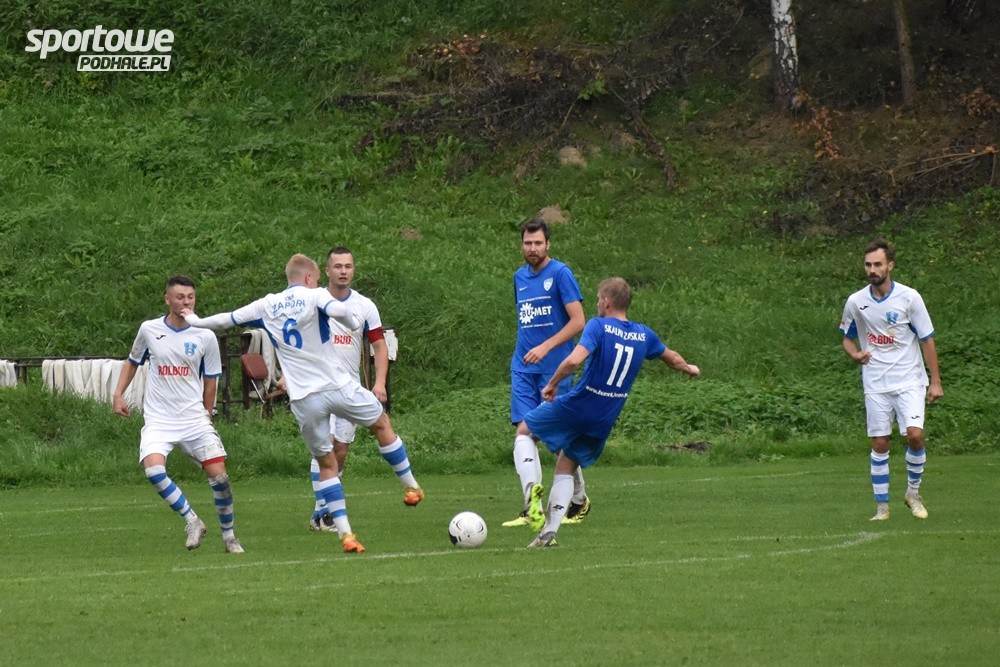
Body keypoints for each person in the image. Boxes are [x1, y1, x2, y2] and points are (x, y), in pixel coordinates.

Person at [183, 254, 423, 553]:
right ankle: (411, 486)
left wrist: (193, 319)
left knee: (326, 464)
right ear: (310, 278)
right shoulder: (316, 296)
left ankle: (346, 534)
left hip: (303, 399)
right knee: (381, 424)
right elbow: (339, 310)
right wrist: (351, 320)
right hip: (337, 385)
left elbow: (224, 320)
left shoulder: (267, 304)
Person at [520, 277, 700, 547]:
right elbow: (672, 358)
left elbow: (574, 360)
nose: (596, 305)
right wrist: (688, 368)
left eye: (597, 300)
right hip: (604, 418)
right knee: (566, 465)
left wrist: (552, 383)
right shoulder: (644, 334)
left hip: (579, 404)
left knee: (524, 431)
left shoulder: (598, 326)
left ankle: (530, 492)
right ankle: (548, 533)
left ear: (606, 302)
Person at [113, 276, 244, 554]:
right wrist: (118, 395)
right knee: (153, 469)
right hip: (159, 419)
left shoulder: (205, 335)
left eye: (190, 297)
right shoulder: (149, 329)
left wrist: (207, 413)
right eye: (180, 297)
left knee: (220, 479)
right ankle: (192, 520)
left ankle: (230, 537)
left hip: (193, 419)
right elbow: (132, 361)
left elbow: (211, 379)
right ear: (167, 299)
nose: (186, 302)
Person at [307, 246, 423, 533]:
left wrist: (379, 383)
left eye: (348, 266)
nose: (343, 271)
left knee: (341, 450)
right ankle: (323, 512)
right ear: (327, 270)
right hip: (318, 387)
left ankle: (323, 512)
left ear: (353, 270)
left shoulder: (364, 306)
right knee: (326, 446)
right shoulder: (314, 301)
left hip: (349, 388)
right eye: (338, 266)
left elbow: (379, 345)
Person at [840, 238, 943, 521]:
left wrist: (935, 381)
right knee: (880, 442)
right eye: (868, 265)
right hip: (876, 382)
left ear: (890, 266)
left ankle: (913, 493)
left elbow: (927, 339)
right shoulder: (856, 301)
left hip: (910, 379)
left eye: (878, 264)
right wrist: (854, 354)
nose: (872, 270)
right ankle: (882, 508)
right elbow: (847, 337)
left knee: (915, 435)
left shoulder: (910, 298)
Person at [503, 217, 589, 529]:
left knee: (555, 436)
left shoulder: (561, 273)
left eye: (538, 243)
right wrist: (528, 352)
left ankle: (578, 499)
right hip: (523, 367)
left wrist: (546, 346)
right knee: (524, 432)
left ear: (548, 244)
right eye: (528, 243)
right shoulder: (519, 277)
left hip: (555, 369)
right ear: (521, 245)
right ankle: (532, 506)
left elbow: (578, 321)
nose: (533, 248)